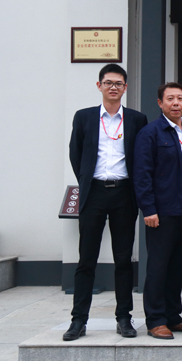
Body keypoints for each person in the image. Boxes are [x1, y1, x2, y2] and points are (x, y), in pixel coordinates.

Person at [65, 64, 148, 341]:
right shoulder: (84, 117)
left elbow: (141, 158)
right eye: (109, 82)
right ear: (99, 85)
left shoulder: (136, 119)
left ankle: (124, 318)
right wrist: (87, 181)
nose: (114, 87)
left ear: (125, 88)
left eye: (119, 83)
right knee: (86, 259)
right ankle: (78, 320)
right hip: (94, 193)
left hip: (124, 193)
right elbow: (76, 153)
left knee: (123, 259)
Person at [133, 82, 182, 339]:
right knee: (158, 266)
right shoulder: (150, 133)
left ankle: (173, 316)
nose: (176, 103)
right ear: (160, 103)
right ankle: (156, 320)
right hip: (162, 210)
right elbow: (142, 174)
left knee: (177, 266)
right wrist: (148, 209)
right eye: (170, 99)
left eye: (180, 98)